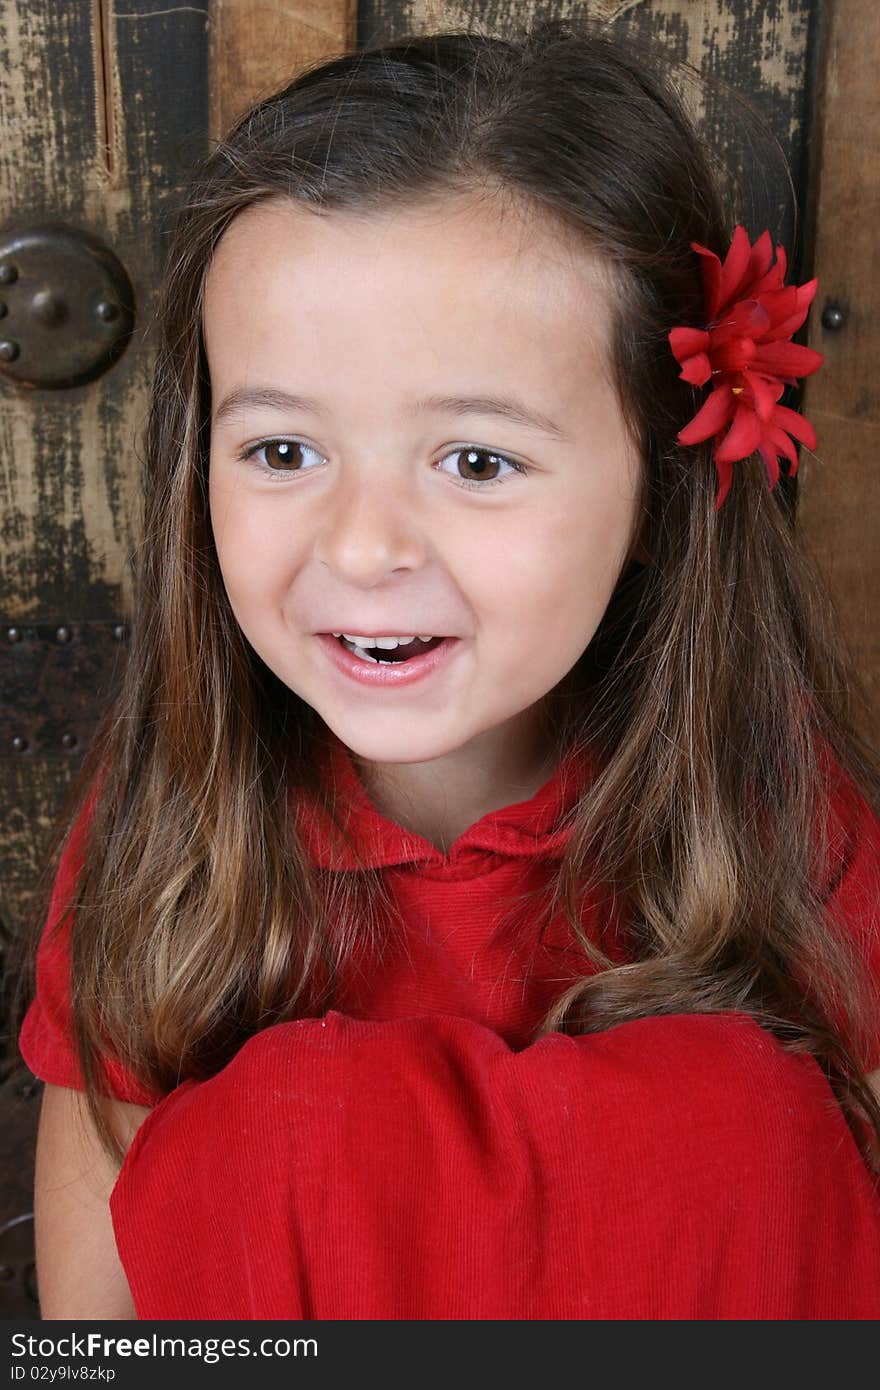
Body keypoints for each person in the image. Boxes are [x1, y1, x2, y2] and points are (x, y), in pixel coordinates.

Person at [17, 18, 880, 1320]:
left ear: (661, 486)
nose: (362, 547)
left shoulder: (771, 802)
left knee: (744, 1120)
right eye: (283, 452)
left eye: (476, 461)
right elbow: (102, 1311)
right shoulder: (174, 812)